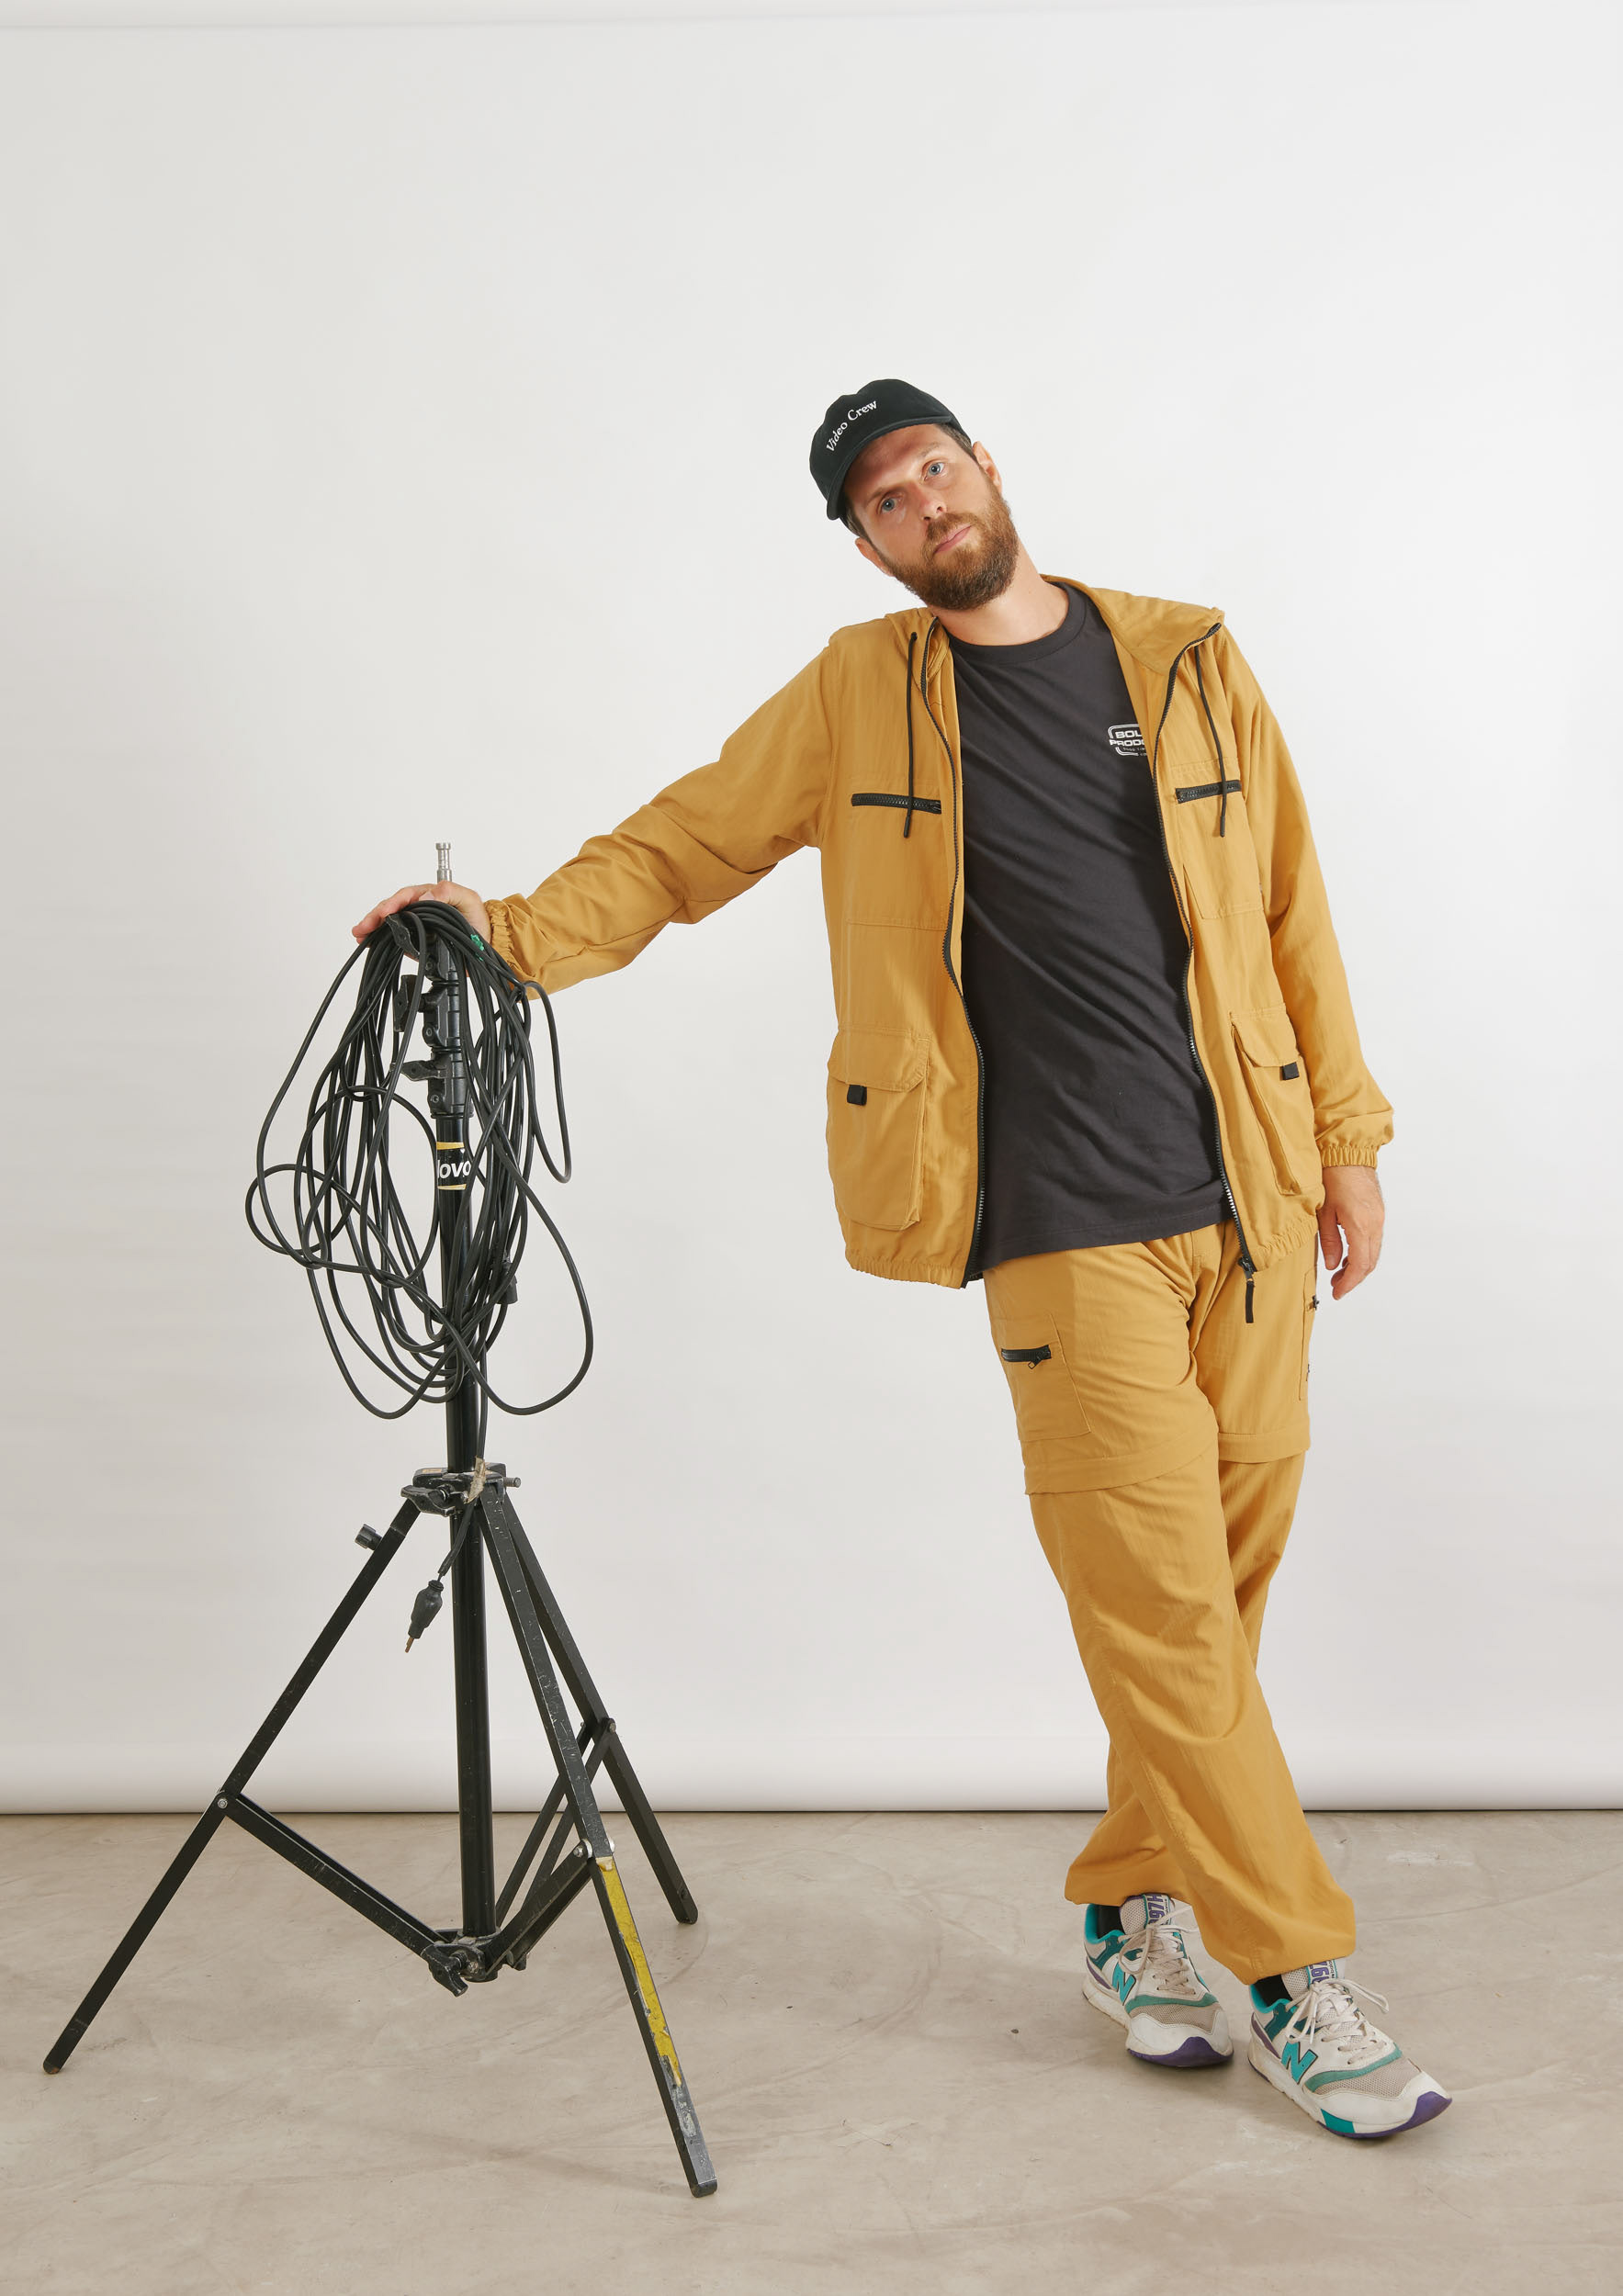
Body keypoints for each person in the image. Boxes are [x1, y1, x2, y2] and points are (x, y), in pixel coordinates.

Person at [354, 379, 1449, 2140]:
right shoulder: (862, 691)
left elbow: (1289, 908)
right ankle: (1292, 1974)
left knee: (1212, 1613)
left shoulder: (1186, 657)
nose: (921, 501)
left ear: (987, 468)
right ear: (866, 546)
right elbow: (685, 843)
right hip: (1057, 1223)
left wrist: (1350, 1138)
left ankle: (1128, 1905)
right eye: (882, 498)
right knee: (1167, 1614)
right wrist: (509, 935)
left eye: (934, 464)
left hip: (1247, 1202)